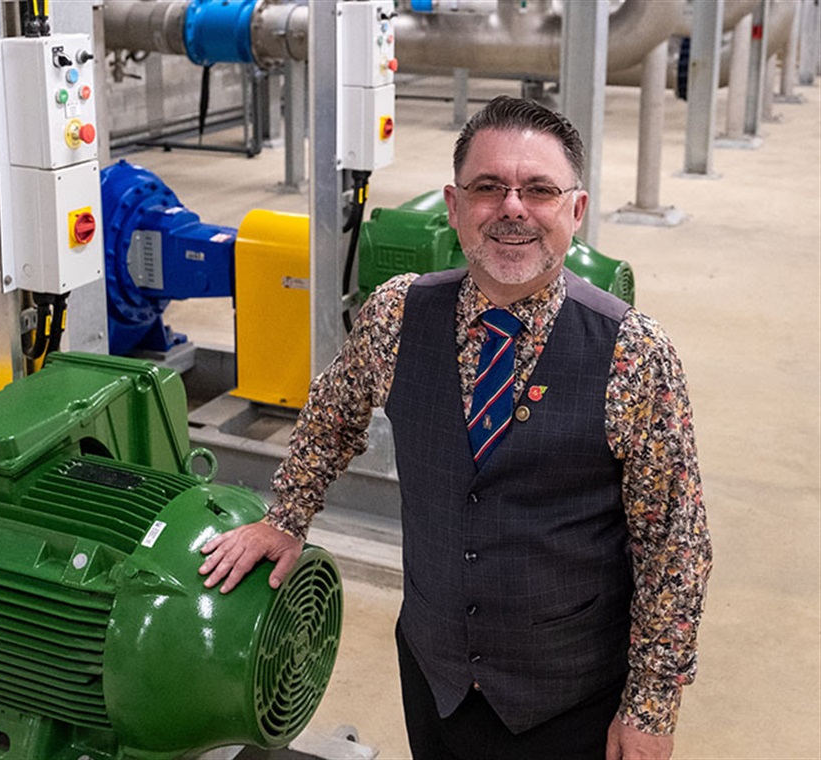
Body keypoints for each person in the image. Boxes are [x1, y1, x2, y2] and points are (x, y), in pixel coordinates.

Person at [198, 96, 711, 760]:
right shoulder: (397, 315)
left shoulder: (634, 353)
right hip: (433, 676)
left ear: (575, 211)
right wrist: (285, 517)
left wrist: (651, 706)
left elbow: (675, 546)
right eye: (488, 188)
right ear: (453, 204)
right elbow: (331, 414)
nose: (513, 209)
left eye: (540, 190)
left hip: (569, 698)